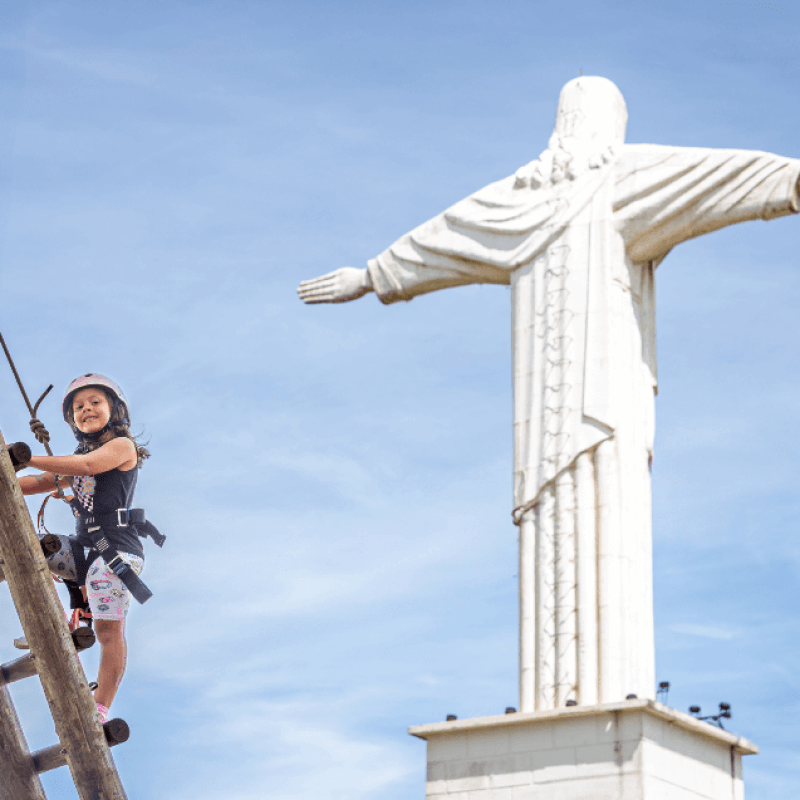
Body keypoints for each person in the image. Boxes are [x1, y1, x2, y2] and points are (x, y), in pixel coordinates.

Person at [18, 374, 152, 723]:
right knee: (31, 554)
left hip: (115, 555)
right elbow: (42, 482)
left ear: (115, 409)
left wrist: (29, 457)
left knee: (109, 631)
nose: (87, 409)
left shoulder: (122, 447)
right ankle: (59, 620)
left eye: (95, 402)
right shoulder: (77, 458)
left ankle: (101, 706)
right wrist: (8, 477)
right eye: (79, 406)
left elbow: (89, 467)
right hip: (83, 549)